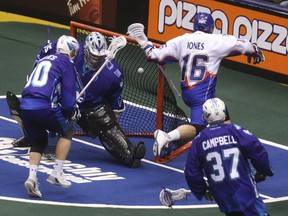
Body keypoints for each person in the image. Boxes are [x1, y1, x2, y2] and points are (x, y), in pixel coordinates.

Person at [127, 12, 265, 158]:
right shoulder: (216, 40)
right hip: (202, 94)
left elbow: (154, 56)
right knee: (199, 127)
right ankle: (167, 137)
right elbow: (245, 45)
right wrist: (255, 51)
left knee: (221, 112)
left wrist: (143, 41)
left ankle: (229, 145)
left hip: (188, 91)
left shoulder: (182, 40)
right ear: (211, 27)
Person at [11, 31, 146, 168]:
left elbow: (115, 102)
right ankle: (33, 137)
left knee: (103, 120)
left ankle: (129, 153)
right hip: (62, 98)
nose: (95, 59)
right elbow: (44, 53)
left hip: (88, 107)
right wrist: (35, 72)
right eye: (92, 55)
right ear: (85, 49)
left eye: (98, 56)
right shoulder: (72, 49)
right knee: (40, 107)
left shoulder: (113, 74)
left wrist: (111, 123)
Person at [184, 97, 274, 215]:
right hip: (246, 194)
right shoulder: (237, 132)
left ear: (204, 115)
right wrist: (264, 170)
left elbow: (191, 171)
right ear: (224, 112)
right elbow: (258, 151)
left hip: (224, 199)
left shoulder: (199, 140)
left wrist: (202, 189)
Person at [20, 35, 80, 198]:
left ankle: (32, 178)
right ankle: (57, 173)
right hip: (44, 106)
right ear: (71, 50)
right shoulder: (66, 63)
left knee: (39, 141)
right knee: (67, 131)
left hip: (25, 106)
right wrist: (72, 112)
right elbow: (68, 102)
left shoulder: (44, 59)